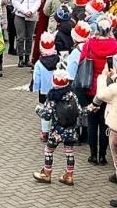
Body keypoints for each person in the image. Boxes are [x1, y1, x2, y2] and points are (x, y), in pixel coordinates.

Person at [33, 58, 81, 186]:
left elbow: (47, 115)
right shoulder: (72, 95)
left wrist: (38, 110)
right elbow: (80, 111)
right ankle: (69, 175)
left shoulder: (53, 98)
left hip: (57, 130)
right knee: (69, 151)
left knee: (49, 150)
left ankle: (47, 173)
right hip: (71, 129)